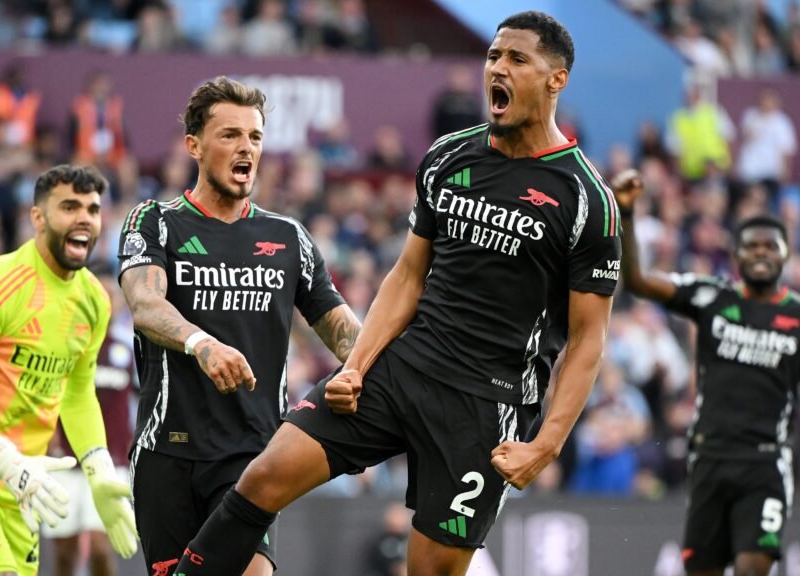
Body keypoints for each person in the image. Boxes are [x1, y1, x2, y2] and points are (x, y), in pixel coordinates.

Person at [173, 12, 620, 575]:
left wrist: (547, 443)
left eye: (517, 60)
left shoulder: (586, 199)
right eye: (493, 57)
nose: (497, 69)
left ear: (556, 79)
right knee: (264, 477)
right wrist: (355, 365)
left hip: (485, 406)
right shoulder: (449, 156)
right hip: (402, 368)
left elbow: (588, 339)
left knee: (428, 571)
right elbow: (408, 276)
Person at [117, 76, 360, 576]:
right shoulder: (155, 221)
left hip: (252, 455)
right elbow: (144, 303)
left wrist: (372, 366)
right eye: (229, 135)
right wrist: (202, 344)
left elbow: (341, 327)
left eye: (254, 136)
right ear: (194, 146)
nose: (245, 146)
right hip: (168, 453)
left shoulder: (288, 237)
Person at [613, 169, 800, 576]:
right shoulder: (712, 296)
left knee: (752, 568)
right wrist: (625, 214)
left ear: (785, 253)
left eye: (770, 246)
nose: (760, 253)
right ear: (737, 255)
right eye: (751, 246)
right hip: (709, 458)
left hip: (764, 463)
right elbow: (638, 282)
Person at [0, 164, 138, 576]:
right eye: (69, 207)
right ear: (38, 217)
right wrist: (3, 457)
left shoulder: (94, 301)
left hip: (23, 486)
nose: (84, 218)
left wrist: (99, 467)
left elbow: (77, 391)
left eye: (92, 208)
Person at [43, 268, 137, 576]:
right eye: (101, 296)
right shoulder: (65, 346)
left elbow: (149, 397)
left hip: (110, 461)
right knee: (65, 553)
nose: (106, 303)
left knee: (99, 545)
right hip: (66, 461)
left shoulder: (128, 348)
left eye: (112, 297)